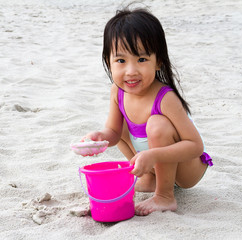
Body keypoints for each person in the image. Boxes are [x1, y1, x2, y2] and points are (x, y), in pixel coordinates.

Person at [82, 7, 213, 216]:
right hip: (153, 162)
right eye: (121, 60)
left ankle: (165, 195)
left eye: (142, 60)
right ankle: (150, 178)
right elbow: (115, 133)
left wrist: (153, 155)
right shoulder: (118, 92)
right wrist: (100, 137)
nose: (131, 71)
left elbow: (196, 146)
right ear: (109, 61)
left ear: (158, 61)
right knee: (125, 125)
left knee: (156, 124)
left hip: (186, 170)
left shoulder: (165, 98)